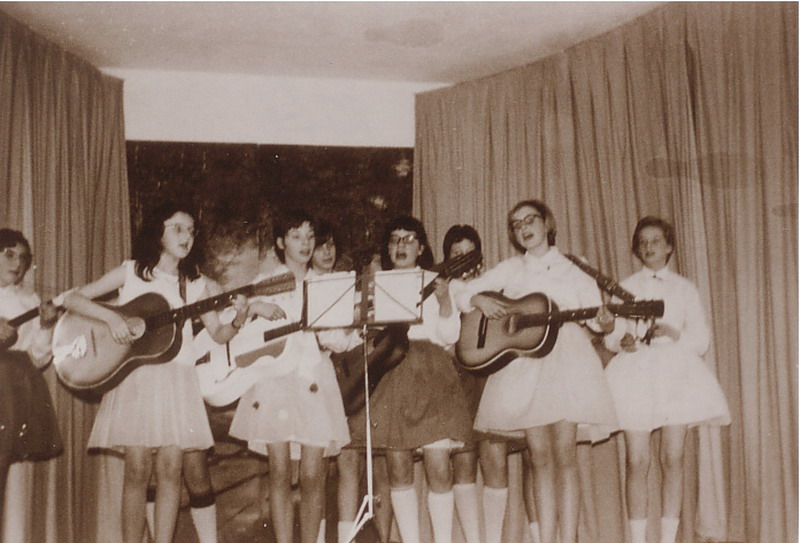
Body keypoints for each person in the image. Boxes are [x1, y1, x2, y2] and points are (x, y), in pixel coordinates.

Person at [63, 202, 249, 543]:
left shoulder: (196, 284)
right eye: (177, 228)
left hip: (179, 382)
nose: (186, 236)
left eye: (191, 230)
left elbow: (219, 334)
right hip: (139, 379)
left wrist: (238, 318)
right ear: (157, 232)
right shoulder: (132, 272)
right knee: (137, 471)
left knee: (171, 470)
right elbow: (73, 299)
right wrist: (113, 318)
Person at [454, 199, 618, 543]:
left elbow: (596, 320)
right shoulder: (511, 268)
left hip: (569, 362)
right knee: (540, 458)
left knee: (565, 457)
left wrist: (605, 322)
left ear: (547, 223)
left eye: (530, 220)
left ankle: (568, 538)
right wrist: (478, 299)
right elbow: (463, 291)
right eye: (516, 224)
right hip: (524, 365)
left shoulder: (575, 266)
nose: (523, 228)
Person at [602, 216, 730, 543]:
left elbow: (700, 341)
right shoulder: (625, 287)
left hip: (676, 374)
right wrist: (622, 341)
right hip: (635, 372)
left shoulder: (684, 288)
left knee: (672, 458)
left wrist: (674, 333)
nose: (649, 247)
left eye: (656, 241)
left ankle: (668, 539)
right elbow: (612, 338)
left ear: (669, 246)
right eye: (643, 242)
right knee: (636, 460)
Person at [228, 210, 350, 543]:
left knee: (312, 474)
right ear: (282, 243)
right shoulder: (265, 283)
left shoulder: (325, 284)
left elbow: (339, 341)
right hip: (275, 382)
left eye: (310, 236)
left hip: (314, 378)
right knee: (279, 470)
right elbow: (237, 333)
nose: (305, 244)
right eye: (296, 237)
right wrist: (254, 309)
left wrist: (334, 327)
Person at [350, 216, 473, 543]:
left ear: (421, 247)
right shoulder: (376, 284)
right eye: (394, 239)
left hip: (431, 372)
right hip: (390, 373)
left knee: (439, 466)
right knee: (398, 467)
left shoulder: (436, 280)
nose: (401, 245)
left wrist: (444, 301)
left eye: (408, 239)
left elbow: (449, 336)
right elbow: (363, 335)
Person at [310, 223, 396, 543]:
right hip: (326, 377)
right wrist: (358, 332)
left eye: (331, 245)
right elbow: (332, 339)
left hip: (355, 374)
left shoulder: (343, 283)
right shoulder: (312, 285)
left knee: (368, 462)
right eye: (320, 245)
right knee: (326, 467)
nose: (327, 251)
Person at [0, 229, 62, 536]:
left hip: (14, 389)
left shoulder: (30, 300)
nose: (17, 263)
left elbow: (38, 359)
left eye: (23, 257)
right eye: (9, 254)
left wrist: (47, 326)